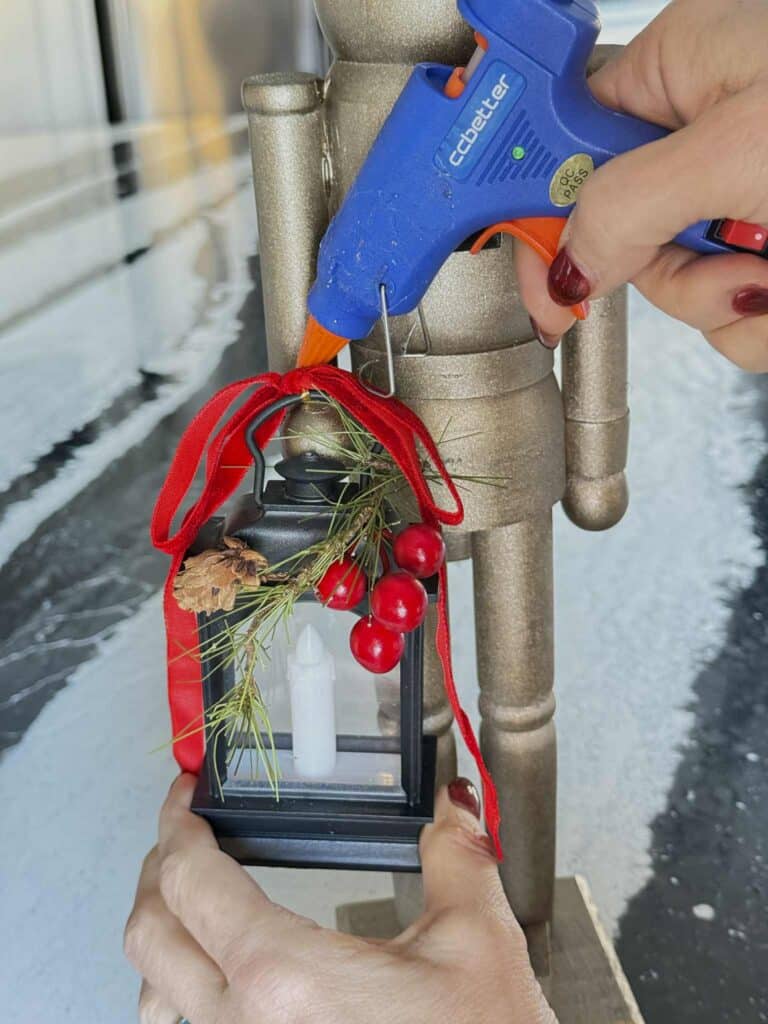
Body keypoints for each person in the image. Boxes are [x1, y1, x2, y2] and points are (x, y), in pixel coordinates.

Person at [125, 1, 768, 1020]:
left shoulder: (542, 106)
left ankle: (526, 924)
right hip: (384, 442)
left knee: (520, 700)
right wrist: (312, 444)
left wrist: (594, 451)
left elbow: (603, 241)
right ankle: (439, 921)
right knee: (412, 707)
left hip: (507, 424)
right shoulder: (329, 105)